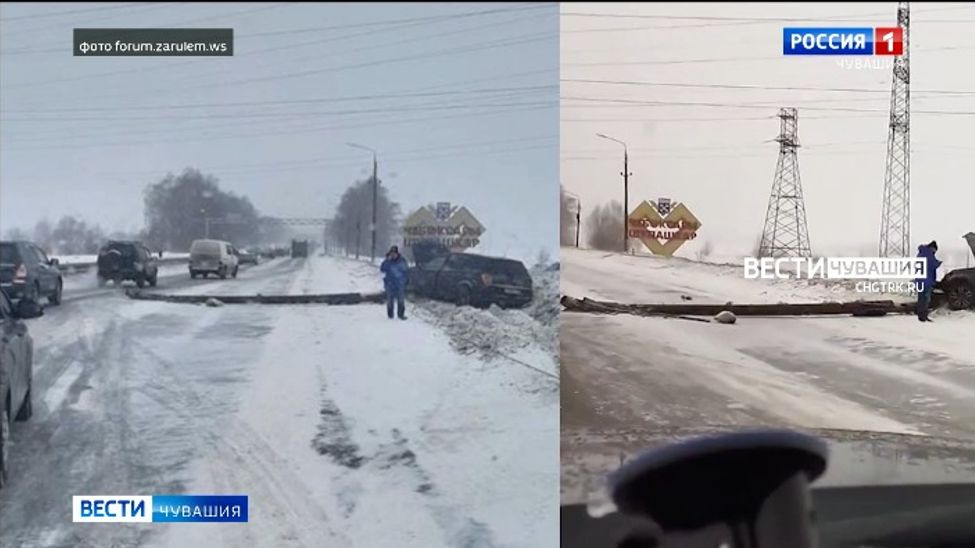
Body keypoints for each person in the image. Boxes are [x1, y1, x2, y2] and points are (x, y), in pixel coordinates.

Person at [915, 240, 942, 322]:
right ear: (932, 248)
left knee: (921, 297)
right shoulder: (928, 254)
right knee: (926, 298)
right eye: (935, 250)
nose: (935, 252)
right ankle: (923, 315)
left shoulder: (921, 253)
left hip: (920, 280)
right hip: (926, 280)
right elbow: (932, 264)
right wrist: (939, 263)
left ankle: (921, 315)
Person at [380, 245, 409, 320]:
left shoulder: (402, 261)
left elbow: (406, 272)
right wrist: (387, 260)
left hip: (400, 284)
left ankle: (401, 315)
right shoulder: (388, 262)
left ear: (397, 253)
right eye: (391, 254)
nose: (393, 255)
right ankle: (390, 315)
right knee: (390, 300)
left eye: (394, 253)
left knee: (401, 300)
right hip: (389, 284)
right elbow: (382, 269)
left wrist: (405, 281)